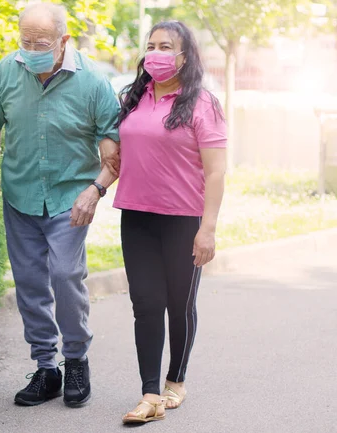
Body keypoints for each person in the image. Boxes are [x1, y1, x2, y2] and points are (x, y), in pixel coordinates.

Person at [0, 2, 120, 407]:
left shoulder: (93, 83)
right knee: (30, 285)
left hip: (70, 199)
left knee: (66, 276)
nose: (31, 48)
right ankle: (45, 368)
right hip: (20, 195)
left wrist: (96, 189)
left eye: (42, 42)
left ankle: (75, 360)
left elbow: (114, 149)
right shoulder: (6, 70)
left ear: (63, 40)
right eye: (26, 41)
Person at [113, 21, 227, 423]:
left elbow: (214, 172)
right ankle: (150, 394)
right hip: (137, 215)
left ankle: (175, 380)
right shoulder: (132, 97)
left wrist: (207, 228)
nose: (156, 53)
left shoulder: (201, 103)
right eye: (151, 45)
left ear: (184, 55)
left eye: (166, 46)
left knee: (179, 304)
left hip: (183, 219)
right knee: (145, 304)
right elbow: (116, 149)